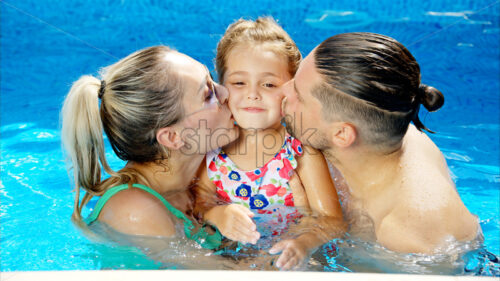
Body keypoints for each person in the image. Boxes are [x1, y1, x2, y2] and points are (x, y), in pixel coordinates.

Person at [281, 32, 480, 254]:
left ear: (342, 135)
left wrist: (311, 238)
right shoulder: (386, 120)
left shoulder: (406, 237)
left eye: (298, 95)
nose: (283, 89)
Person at [192, 17, 345, 270]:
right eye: (239, 82)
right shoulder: (213, 149)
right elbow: (198, 203)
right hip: (229, 261)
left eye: (269, 84)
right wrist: (216, 214)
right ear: (221, 88)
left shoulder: (301, 152)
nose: (253, 93)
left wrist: (303, 243)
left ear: (291, 91)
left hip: (286, 262)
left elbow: (332, 220)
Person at [61, 46, 239, 250]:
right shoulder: (134, 209)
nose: (226, 93)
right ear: (172, 137)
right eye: (208, 95)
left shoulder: (206, 173)